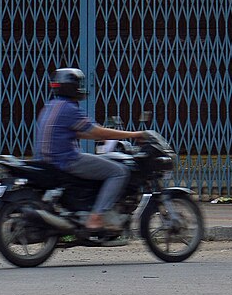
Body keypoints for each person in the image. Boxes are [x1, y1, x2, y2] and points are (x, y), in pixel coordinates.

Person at [32, 68, 147, 235]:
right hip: (66, 160)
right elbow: (96, 132)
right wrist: (134, 134)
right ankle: (96, 217)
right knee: (119, 171)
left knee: (102, 162)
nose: (81, 88)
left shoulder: (50, 106)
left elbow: (79, 132)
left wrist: (102, 136)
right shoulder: (69, 109)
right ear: (72, 87)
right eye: (78, 84)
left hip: (47, 160)